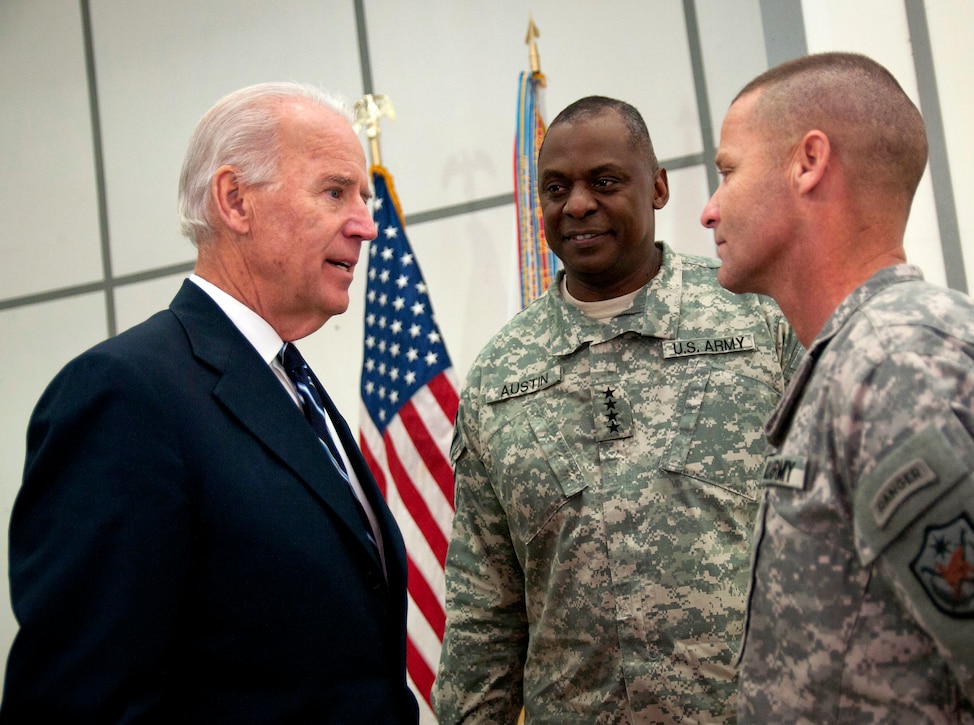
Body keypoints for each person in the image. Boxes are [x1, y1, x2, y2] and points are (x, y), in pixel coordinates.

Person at [2, 82, 419, 723]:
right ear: (235, 201)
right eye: (336, 192)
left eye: (362, 196)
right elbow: (79, 704)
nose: (367, 223)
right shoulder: (125, 397)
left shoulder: (291, 384)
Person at [701, 52, 974, 721]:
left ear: (808, 161)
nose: (708, 211)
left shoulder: (896, 371)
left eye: (728, 171)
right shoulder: (857, 362)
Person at [433, 96, 801, 723]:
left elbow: (829, 533)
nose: (577, 204)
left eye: (604, 181)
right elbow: (485, 611)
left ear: (656, 188)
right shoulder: (500, 376)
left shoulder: (757, 320)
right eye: (556, 188)